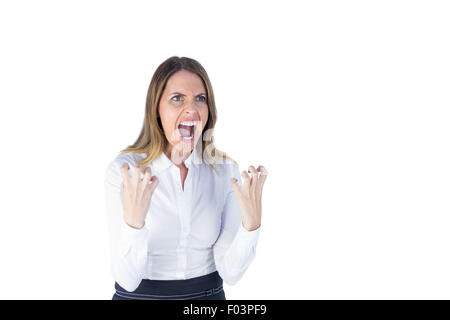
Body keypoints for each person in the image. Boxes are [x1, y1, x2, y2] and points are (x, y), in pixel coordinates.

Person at [104, 56, 268, 300]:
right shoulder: (125, 172)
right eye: (177, 98)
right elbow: (127, 279)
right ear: (156, 109)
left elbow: (231, 273)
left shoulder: (225, 172)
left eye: (200, 99)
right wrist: (133, 224)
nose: (191, 109)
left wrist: (251, 227)